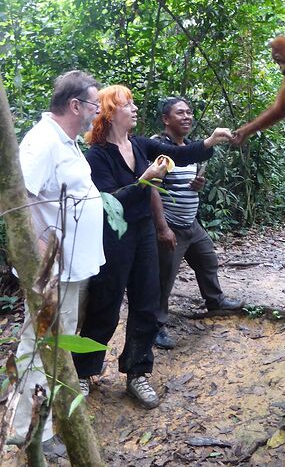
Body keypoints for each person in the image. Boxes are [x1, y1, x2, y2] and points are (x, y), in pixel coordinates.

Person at [72, 85, 232, 409]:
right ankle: (83, 371)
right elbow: (107, 202)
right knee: (106, 304)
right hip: (114, 237)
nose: (133, 109)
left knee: (146, 302)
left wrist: (211, 142)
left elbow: (183, 154)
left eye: (132, 103)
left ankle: (137, 372)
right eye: (126, 104)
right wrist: (143, 181)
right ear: (110, 113)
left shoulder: (141, 145)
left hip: (144, 231)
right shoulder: (98, 155)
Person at [12, 71, 105, 454]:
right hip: (51, 269)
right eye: (94, 105)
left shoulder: (64, 140)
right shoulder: (42, 142)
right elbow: (21, 200)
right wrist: (39, 261)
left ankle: (43, 420)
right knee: (41, 344)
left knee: (52, 342)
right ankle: (32, 430)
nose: (96, 113)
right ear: (75, 106)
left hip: (68, 268)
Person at [151, 97, 244, 350]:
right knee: (164, 278)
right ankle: (154, 326)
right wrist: (162, 228)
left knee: (207, 260)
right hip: (171, 225)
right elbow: (152, 190)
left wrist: (197, 185)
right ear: (166, 119)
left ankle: (215, 300)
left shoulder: (191, 147)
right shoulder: (159, 147)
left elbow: (186, 181)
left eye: (189, 112)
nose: (187, 116)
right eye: (179, 113)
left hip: (190, 223)